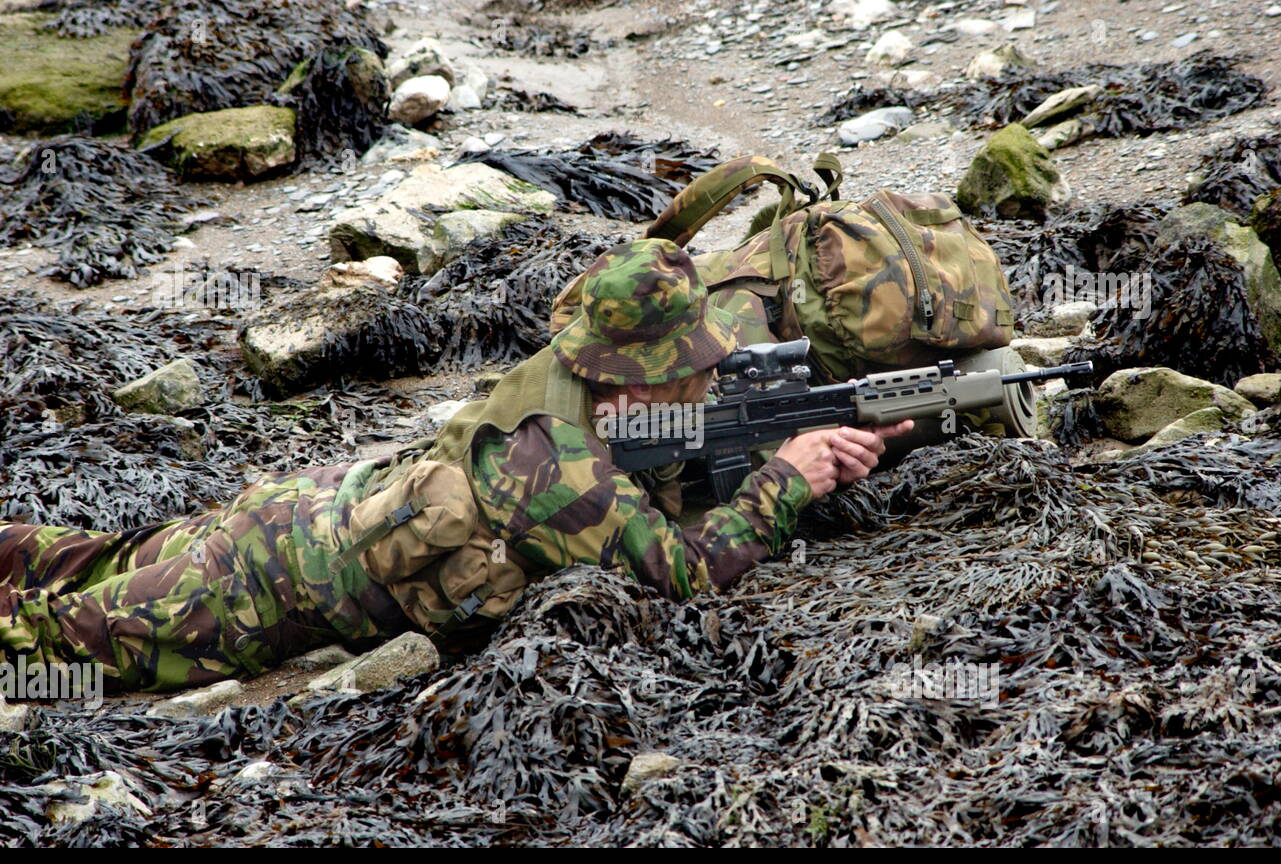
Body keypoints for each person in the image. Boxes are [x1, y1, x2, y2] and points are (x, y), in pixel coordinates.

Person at [0, 239, 910, 695]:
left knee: (75, 558)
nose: (707, 373)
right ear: (636, 370)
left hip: (299, 508)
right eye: (689, 363)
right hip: (265, 586)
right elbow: (687, 574)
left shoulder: (577, 374)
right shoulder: (552, 461)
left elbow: (677, 466)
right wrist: (788, 477)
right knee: (52, 647)